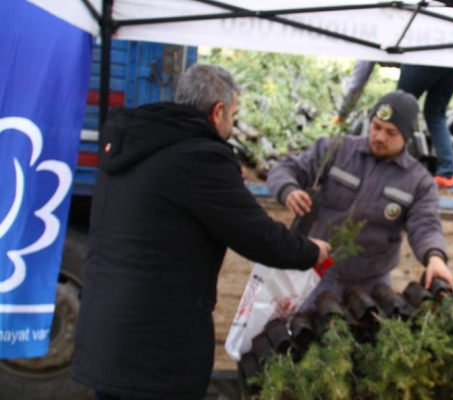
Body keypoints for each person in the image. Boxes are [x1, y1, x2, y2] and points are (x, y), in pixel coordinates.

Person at [70, 64, 331, 400]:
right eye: (233, 115)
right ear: (217, 111)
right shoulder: (200, 156)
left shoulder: (128, 145)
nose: (232, 126)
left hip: (106, 335)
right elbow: (254, 233)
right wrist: (310, 251)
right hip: (156, 348)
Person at [267, 90, 453, 311]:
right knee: (304, 331)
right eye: (376, 127)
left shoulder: (418, 182)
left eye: (390, 132)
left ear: (407, 136)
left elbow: (426, 225)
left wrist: (434, 257)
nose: (379, 137)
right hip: (317, 272)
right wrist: (288, 190)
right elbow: (285, 169)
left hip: (372, 283)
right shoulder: (336, 150)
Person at [397, 64, 453, 189]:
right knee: (435, 113)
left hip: (425, 57)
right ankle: (447, 176)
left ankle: (390, 166)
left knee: (398, 105)